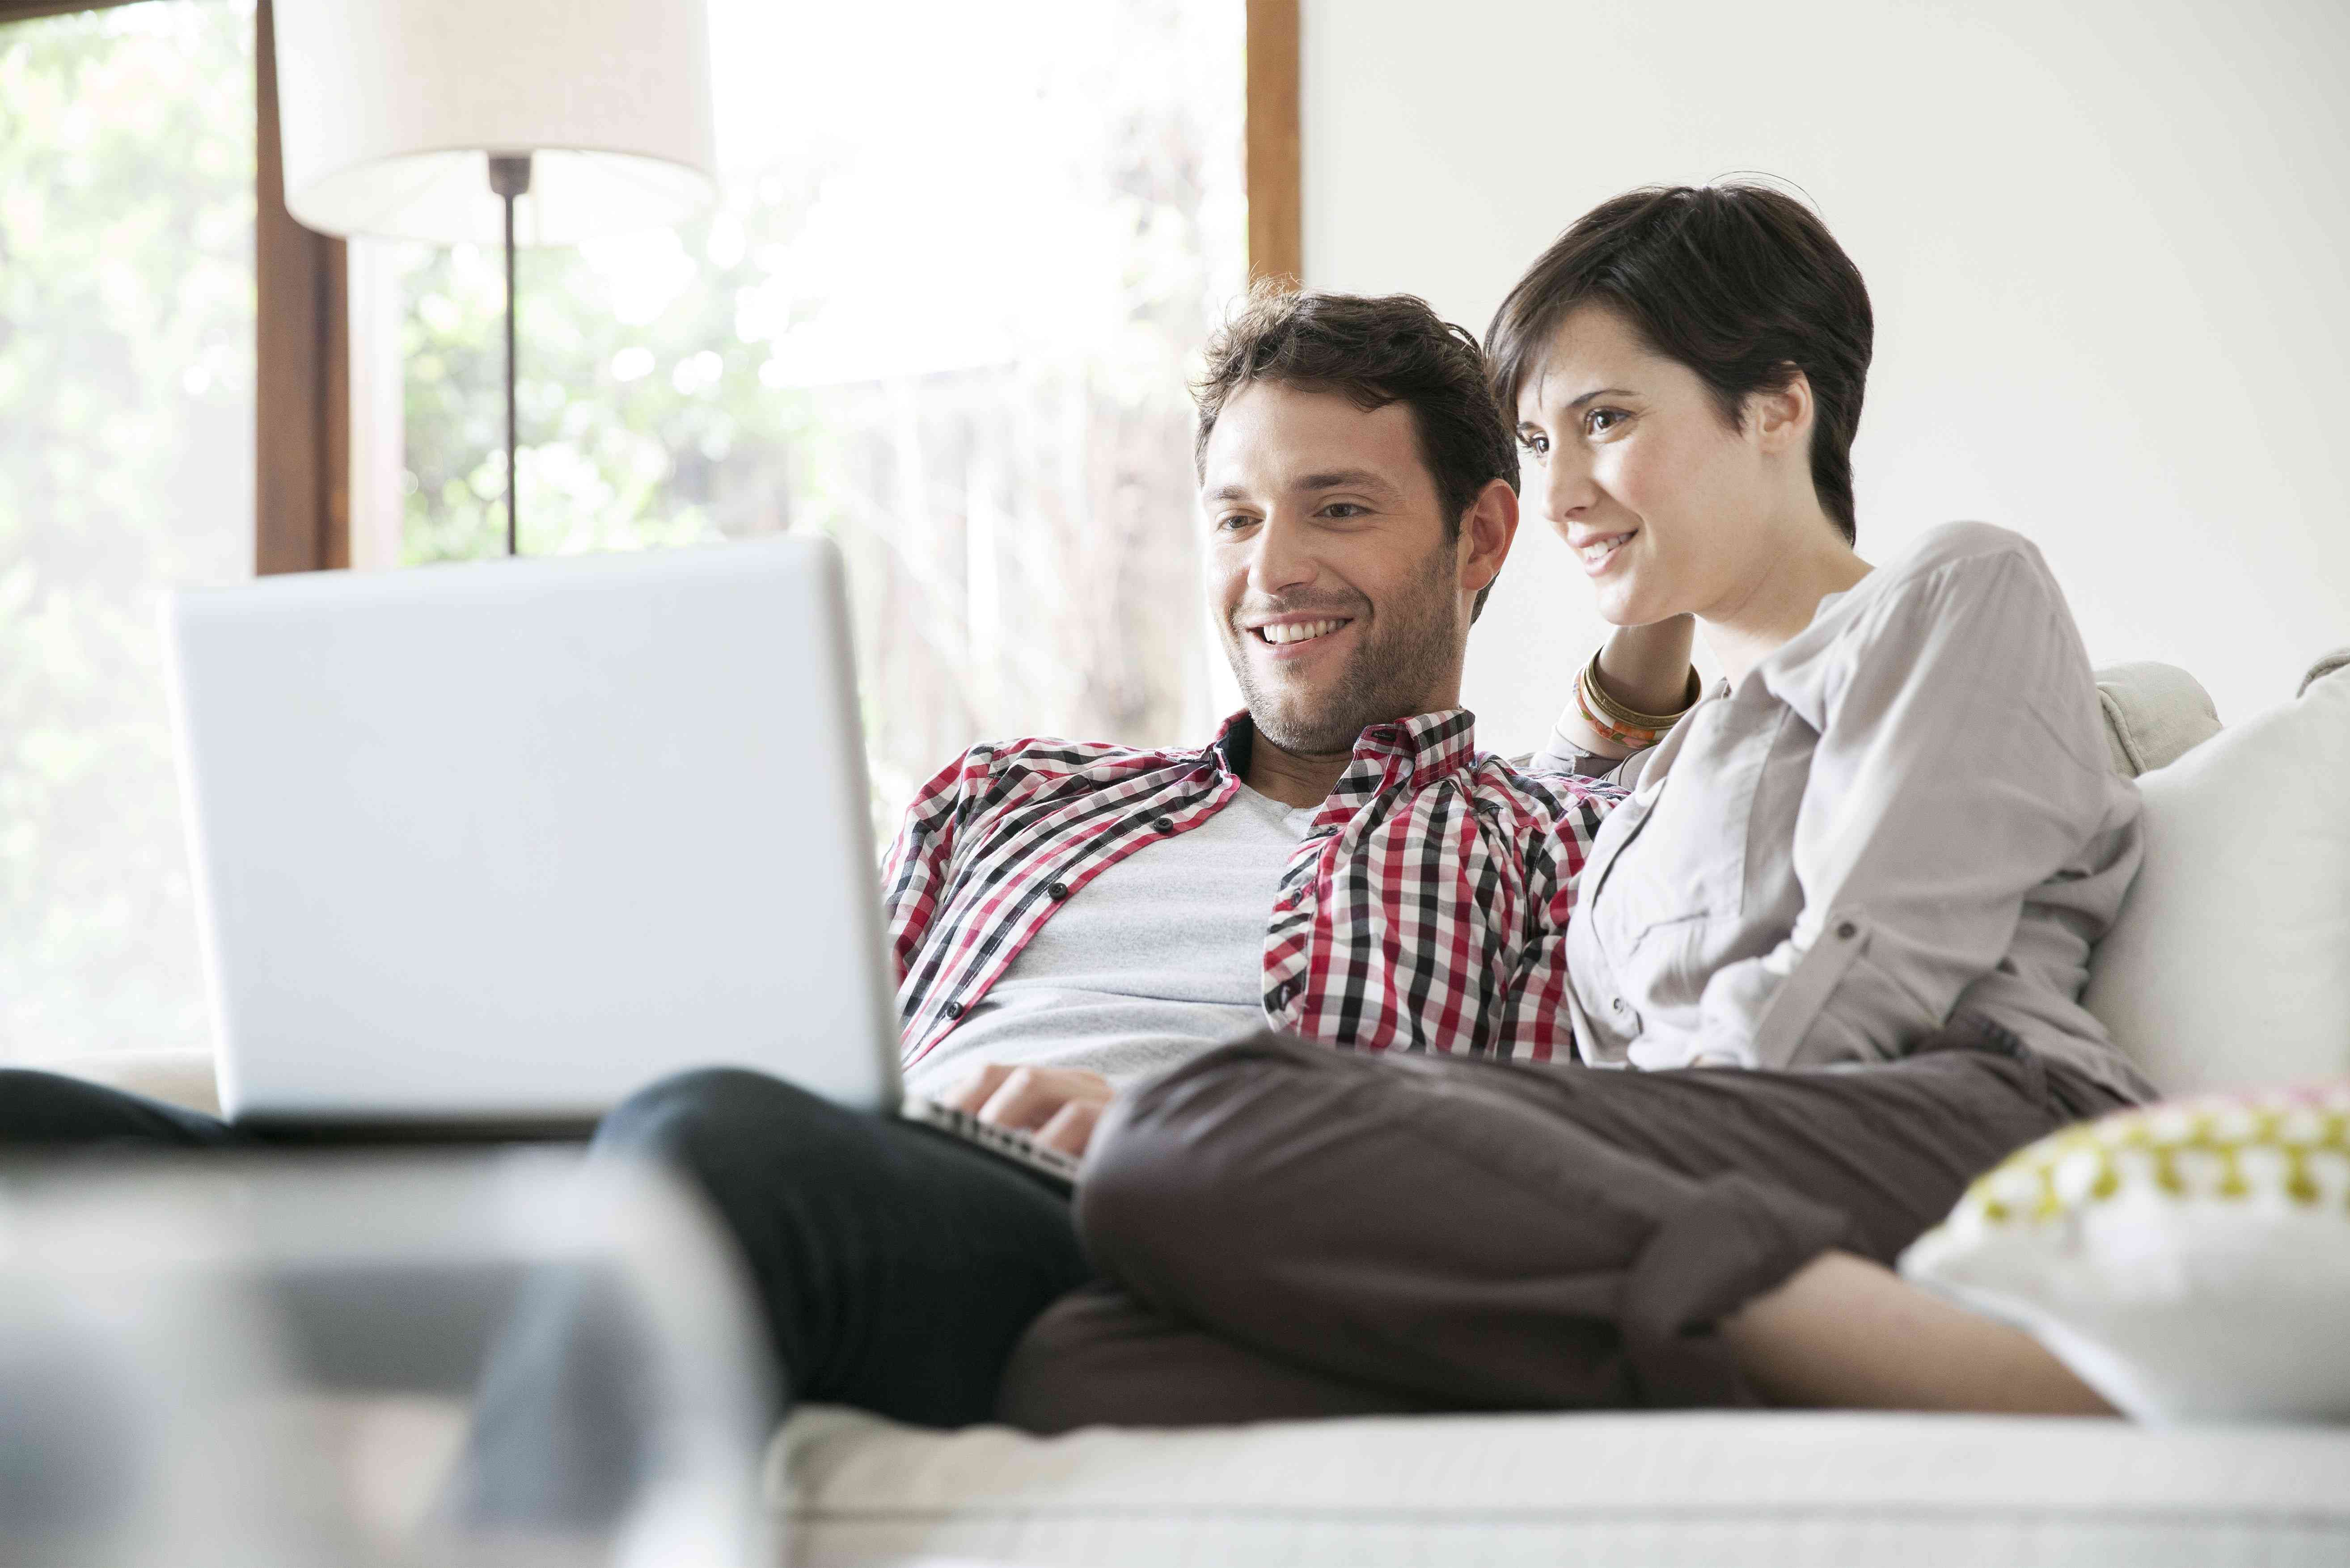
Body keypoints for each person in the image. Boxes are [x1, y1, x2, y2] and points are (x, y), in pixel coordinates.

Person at [0, 287, 1659, 1516]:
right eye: (1238, 515)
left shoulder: (1544, 844)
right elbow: (804, 1026)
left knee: (721, 1148)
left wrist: (1193, 1130)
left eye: (1341, 509)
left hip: (1100, 1234)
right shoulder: (1009, 793)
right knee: (42, 1145)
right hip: (782, 1141)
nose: (1273, 567)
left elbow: (1504, 1179)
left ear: (1482, 536)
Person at [994, 183, 2156, 1432]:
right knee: (1083, 1359)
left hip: (1958, 1124)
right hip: (1702, 1180)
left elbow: (1867, 972)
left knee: (1212, 1113)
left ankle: (2019, 1372)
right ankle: (1730, 1343)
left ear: (1780, 403)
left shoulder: (1953, 592)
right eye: (1538, 444)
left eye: (1603, 419)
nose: (1555, 497)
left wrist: (1491, 1155)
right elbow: (1583, 774)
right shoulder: (1656, 787)